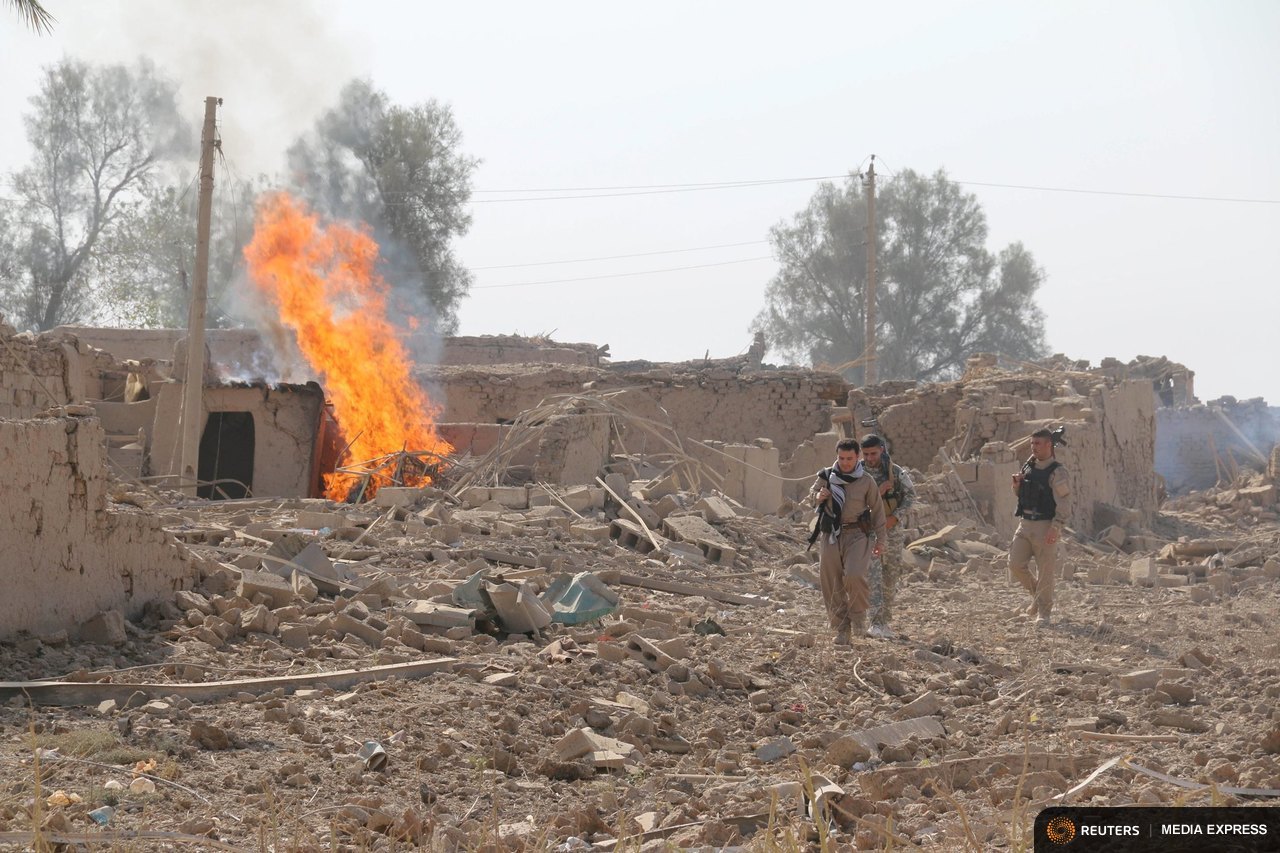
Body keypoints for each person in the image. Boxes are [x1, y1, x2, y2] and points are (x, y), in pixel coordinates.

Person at [809, 438, 887, 645]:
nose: (845, 463)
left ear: (857, 457)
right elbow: (809, 498)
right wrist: (818, 497)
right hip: (831, 535)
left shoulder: (866, 481)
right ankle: (842, 629)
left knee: (854, 575)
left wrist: (881, 541)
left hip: (857, 534)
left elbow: (878, 512)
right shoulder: (826, 476)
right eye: (841, 458)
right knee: (831, 582)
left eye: (849, 459)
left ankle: (858, 617)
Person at [1009, 427, 1071, 626]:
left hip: (1045, 525)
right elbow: (1022, 496)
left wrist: (1056, 527)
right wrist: (1017, 485)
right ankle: (1037, 597)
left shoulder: (1058, 472)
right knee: (1015, 565)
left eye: (1037, 443)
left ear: (1048, 445)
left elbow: (1064, 502)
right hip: (1025, 524)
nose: (1033, 447)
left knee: (1045, 571)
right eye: (1031, 443)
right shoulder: (1028, 467)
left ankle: (1044, 613)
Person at [860, 434, 916, 639]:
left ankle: (885, 622)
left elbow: (911, 497)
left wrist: (896, 517)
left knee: (890, 576)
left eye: (873, 453)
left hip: (892, 531)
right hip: (868, 530)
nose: (869, 458)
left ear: (881, 450)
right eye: (865, 454)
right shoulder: (858, 472)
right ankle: (875, 622)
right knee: (873, 575)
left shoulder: (895, 472)